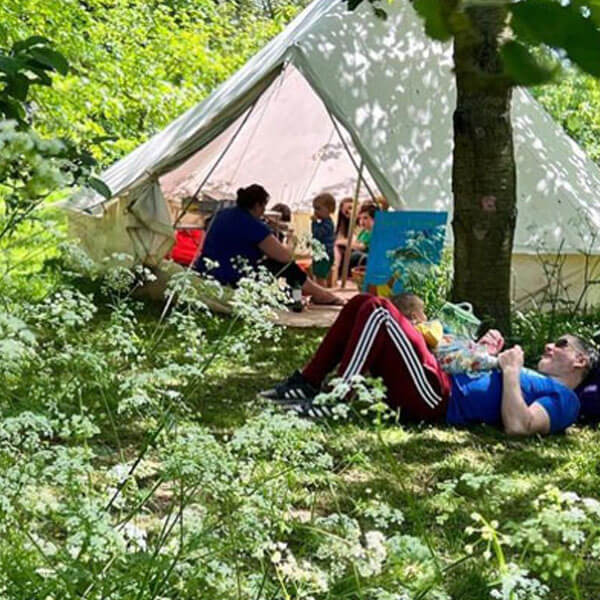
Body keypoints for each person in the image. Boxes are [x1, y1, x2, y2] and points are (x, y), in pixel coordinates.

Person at [261, 293, 596, 435]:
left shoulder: (566, 400)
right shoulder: (535, 376)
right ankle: (307, 382)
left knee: (379, 310)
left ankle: (336, 401)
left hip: (438, 395)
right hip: (435, 375)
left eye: (562, 344)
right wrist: (480, 350)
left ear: (580, 361)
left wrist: (510, 370)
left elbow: (519, 426)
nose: (551, 345)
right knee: (363, 302)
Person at [194, 184, 344, 306]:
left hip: (208, 269)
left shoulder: (223, 214)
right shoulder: (252, 224)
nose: (263, 212)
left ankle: (310, 294)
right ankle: (318, 294)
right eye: (263, 207)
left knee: (279, 268)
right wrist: (287, 241)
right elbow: (284, 256)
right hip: (231, 275)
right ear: (258, 205)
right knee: (287, 267)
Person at [311, 193, 336, 287]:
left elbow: (317, 234)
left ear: (329, 209)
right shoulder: (324, 222)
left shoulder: (327, 224)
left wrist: (314, 223)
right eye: (314, 208)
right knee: (319, 274)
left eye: (318, 208)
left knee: (320, 276)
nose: (315, 212)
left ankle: (322, 292)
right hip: (322, 253)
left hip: (323, 254)